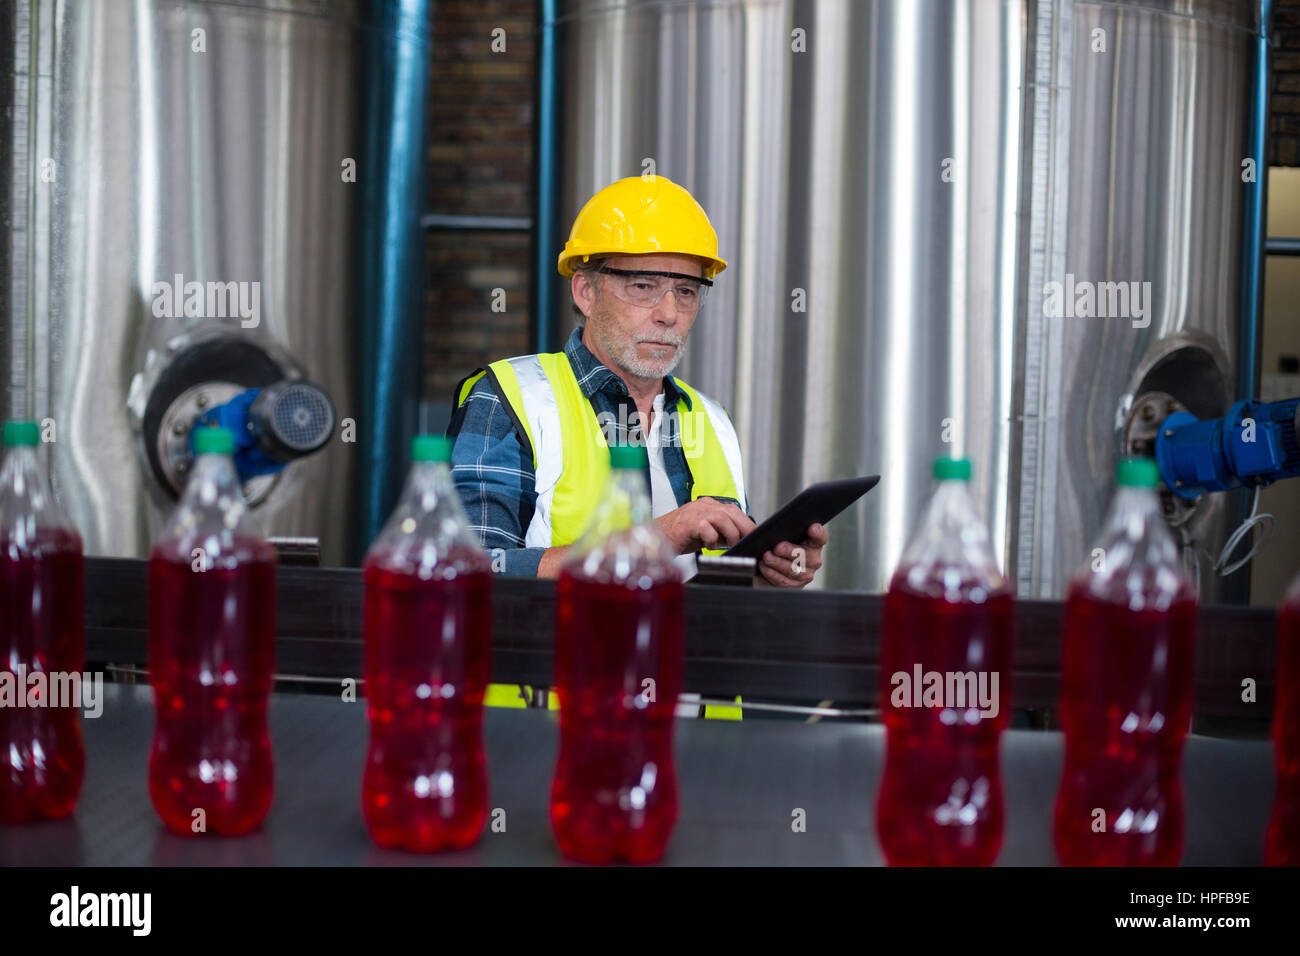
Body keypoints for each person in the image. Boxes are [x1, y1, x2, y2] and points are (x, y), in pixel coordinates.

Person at [447, 174, 828, 587]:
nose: (669, 313)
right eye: (644, 286)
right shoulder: (510, 398)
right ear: (585, 292)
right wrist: (657, 539)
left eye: (686, 291)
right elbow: (472, 572)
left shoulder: (712, 420)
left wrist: (764, 569)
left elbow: (714, 586)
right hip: (559, 650)